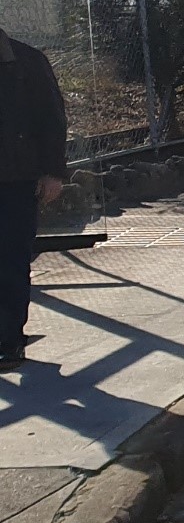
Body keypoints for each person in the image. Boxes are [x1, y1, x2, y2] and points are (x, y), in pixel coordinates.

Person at [0, 27, 67, 371]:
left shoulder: (27, 62)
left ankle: (9, 340)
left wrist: (53, 172)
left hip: (15, 178)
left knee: (10, 260)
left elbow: (52, 119)